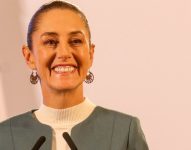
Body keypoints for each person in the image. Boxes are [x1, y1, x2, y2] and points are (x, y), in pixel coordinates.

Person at [0, 1, 149, 149]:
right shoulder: (5, 136)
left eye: (76, 41)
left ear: (90, 54)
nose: (64, 53)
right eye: (51, 42)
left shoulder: (124, 132)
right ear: (29, 57)